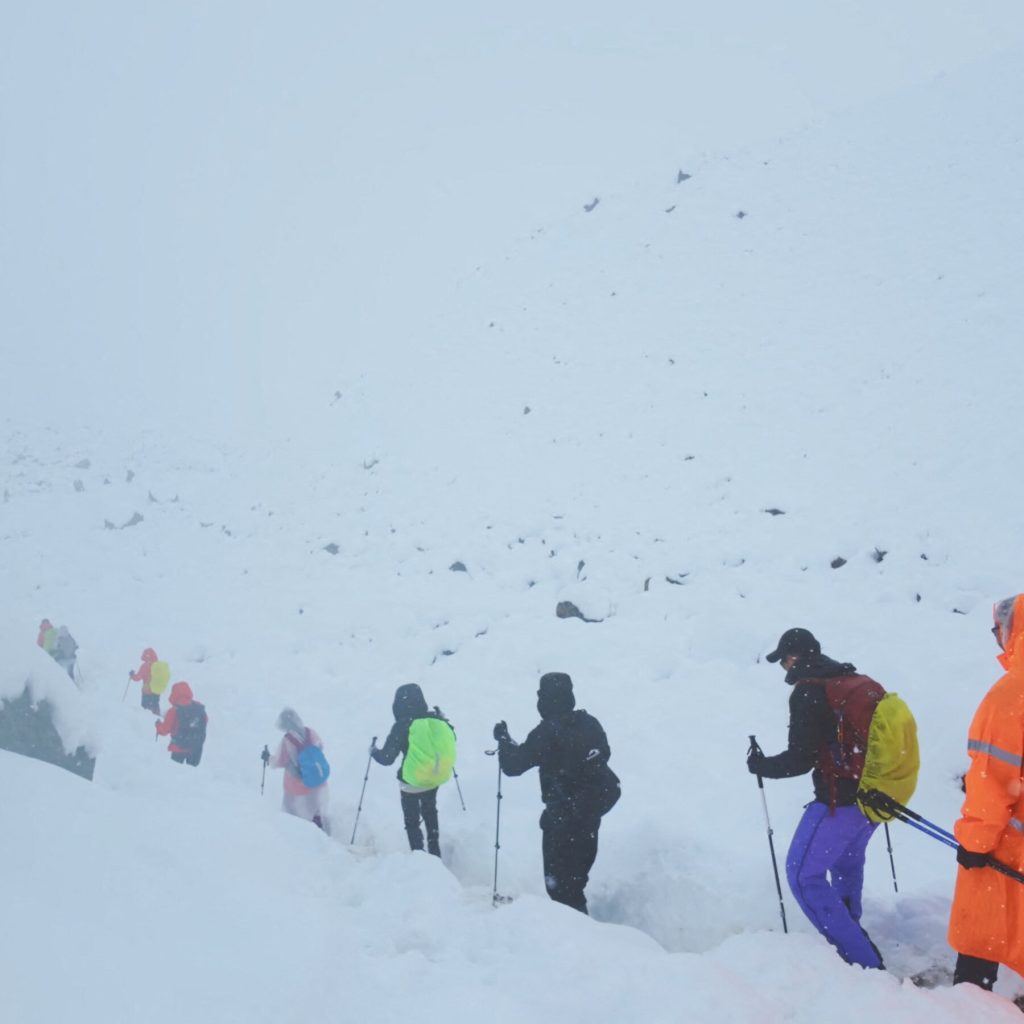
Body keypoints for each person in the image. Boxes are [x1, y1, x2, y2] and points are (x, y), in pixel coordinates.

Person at [747, 628, 884, 969]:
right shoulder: (849, 679)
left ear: (793, 658)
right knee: (846, 864)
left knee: (802, 875)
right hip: (872, 799)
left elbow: (800, 759)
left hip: (839, 801)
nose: (785, 669)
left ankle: (862, 962)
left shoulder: (809, 691)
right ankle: (852, 933)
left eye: (783, 661)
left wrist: (761, 766)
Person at [493, 672, 620, 914]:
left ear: (544, 700)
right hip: (591, 813)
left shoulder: (547, 732)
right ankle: (584, 933)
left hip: (563, 820)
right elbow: (603, 754)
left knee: (561, 888)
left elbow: (514, 766)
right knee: (576, 881)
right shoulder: (590, 723)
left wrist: (503, 741)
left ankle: (577, 939)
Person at [948, 595, 1024, 992]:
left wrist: (975, 843)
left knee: (981, 935)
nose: (997, 637)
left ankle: (970, 1009)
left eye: (998, 630)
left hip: (1008, 851)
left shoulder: (1010, 695)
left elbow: (992, 783)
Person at [371, 684, 454, 857]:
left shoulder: (402, 725)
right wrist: (442, 719)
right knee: (430, 810)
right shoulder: (436, 720)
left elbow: (387, 758)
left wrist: (374, 751)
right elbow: (451, 739)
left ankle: (419, 855)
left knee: (412, 821)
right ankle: (434, 848)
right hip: (434, 777)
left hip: (411, 781)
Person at [271, 708, 330, 833]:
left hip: (298, 784)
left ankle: (293, 833)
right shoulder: (310, 732)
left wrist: (268, 759)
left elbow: (279, 761)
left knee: (289, 808)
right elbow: (320, 747)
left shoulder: (287, 740)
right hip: (317, 778)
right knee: (314, 808)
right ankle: (320, 827)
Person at [155, 681, 208, 766]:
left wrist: (158, 725)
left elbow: (164, 731)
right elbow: (205, 721)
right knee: (193, 776)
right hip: (196, 748)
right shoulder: (199, 708)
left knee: (177, 775)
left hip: (179, 748)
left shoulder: (173, 711)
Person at [128, 648, 170, 715]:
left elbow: (137, 678)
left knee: (145, 709)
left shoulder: (145, 666)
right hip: (157, 690)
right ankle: (157, 717)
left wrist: (132, 675)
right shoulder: (158, 665)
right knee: (155, 705)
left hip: (147, 691)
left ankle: (145, 721)